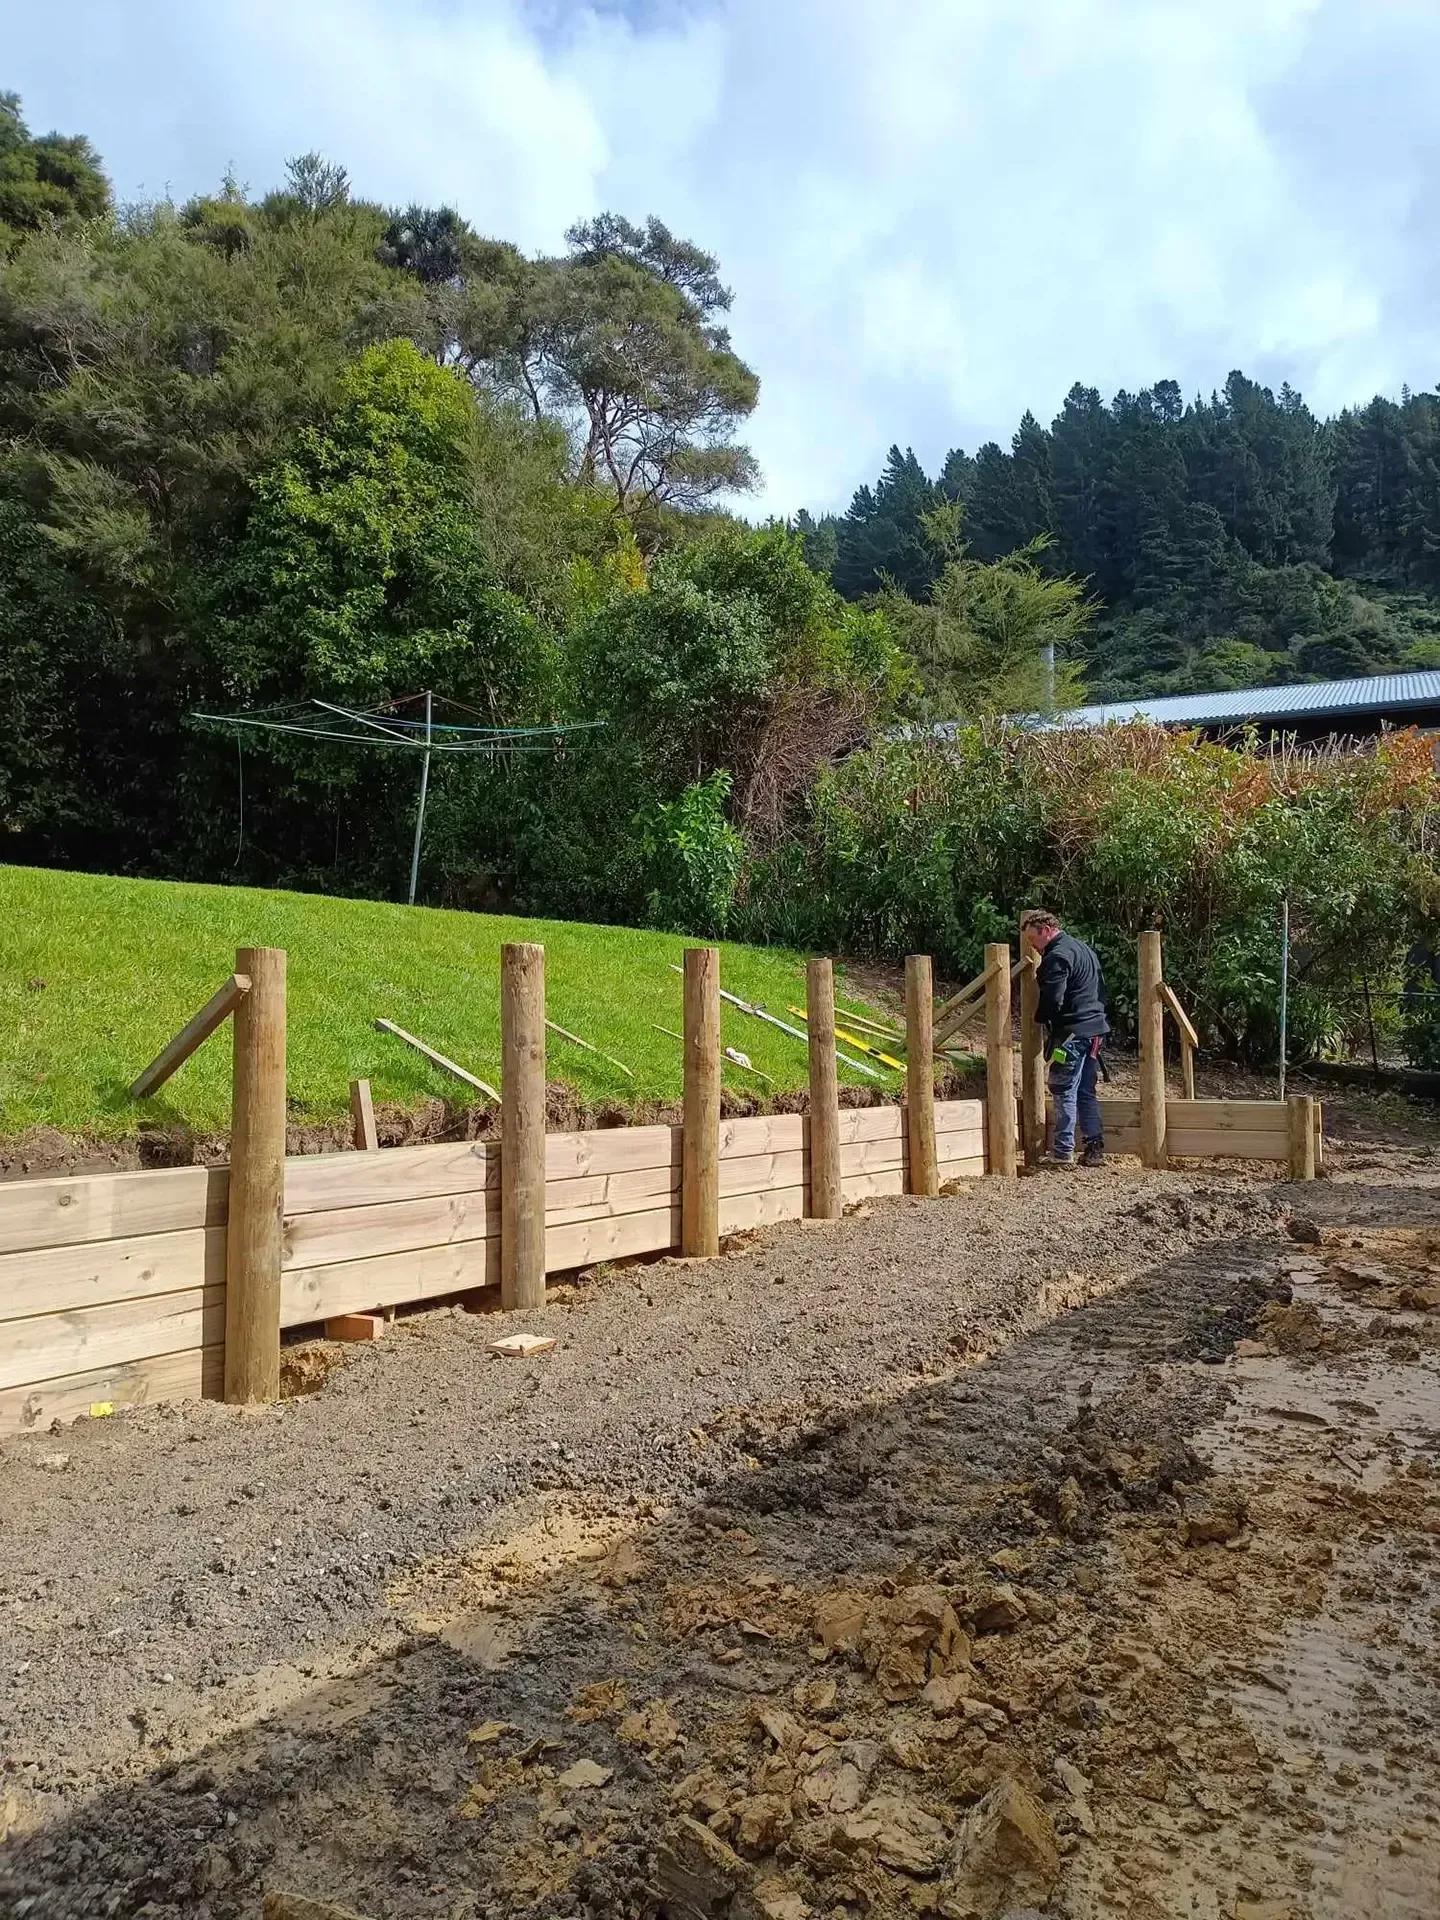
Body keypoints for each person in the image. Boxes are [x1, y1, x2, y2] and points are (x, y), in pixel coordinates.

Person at [1020, 909, 1109, 1167]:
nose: (1031, 946)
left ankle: (1062, 1151)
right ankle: (1094, 1149)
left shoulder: (1057, 956)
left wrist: (1038, 1020)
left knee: (1062, 1088)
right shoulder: (1082, 949)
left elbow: (1052, 999)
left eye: (1032, 939)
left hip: (1073, 1034)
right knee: (1085, 1091)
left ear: (1046, 931)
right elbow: (1100, 989)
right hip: (1094, 1031)